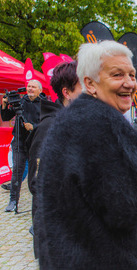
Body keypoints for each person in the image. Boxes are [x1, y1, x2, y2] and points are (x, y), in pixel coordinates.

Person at [36, 40, 137, 269]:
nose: (129, 84)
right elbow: (128, 207)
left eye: (132, 75)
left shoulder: (69, 119)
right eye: (117, 75)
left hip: (65, 256)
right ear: (90, 83)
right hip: (99, 259)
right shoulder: (105, 124)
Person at [25, 60, 82, 258]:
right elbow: (37, 183)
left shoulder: (75, 122)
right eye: (84, 85)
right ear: (67, 92)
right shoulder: (50, 127)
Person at [1, 79, 43, 212]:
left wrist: (33, 127)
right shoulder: (20, 101)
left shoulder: (45, 104)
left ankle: (38, 200)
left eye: (33, 87)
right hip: (19, 141)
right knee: (17, 171)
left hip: (35, 142)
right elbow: (6, 117)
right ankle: (13, 200)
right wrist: (4, 105)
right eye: (29, 86)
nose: (30, 89)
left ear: (39, 90)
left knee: (33, 173)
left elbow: (48, 123)